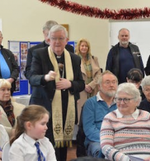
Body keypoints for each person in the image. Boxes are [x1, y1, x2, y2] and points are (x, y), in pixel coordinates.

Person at [29, 24, 85, 161]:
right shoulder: (39, 54)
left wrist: (70, 84)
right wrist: (45, 77)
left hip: (66, 108)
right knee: (46, 145)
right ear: (48, 40)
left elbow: (81, 84)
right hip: (44, 107)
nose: (57, 42)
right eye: (54, 38)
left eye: (61, 38)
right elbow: (32, 77)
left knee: (62, 147)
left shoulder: (75, 58)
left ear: (67, 40)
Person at [100, 83, 150, 161]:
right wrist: (126, 159)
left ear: (137, 101)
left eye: (126, 99)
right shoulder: (109, 118)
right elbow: (106, 147)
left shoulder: (146, 116)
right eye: (119, 99)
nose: (121, 103)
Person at [82, 71, 117, 158]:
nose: (111, 85)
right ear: (99, 87)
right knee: (101, 150)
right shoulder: (90, 103)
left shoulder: (121, 103)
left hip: (118, 139)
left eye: (114, 82)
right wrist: (107, 140)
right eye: (107, 82)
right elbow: (89, 129)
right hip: (97, 140)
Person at [75, 38, 102, 121]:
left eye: (86, 46)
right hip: (81, 90)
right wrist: (84, 86)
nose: (84, 48)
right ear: (79, 47)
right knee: (82, 114)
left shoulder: (94, 59)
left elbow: (99, 75)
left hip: (93, 89)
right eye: (82, 46)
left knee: (94, 112)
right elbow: (74, 75)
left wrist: (91, 86)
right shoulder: (74, 59)